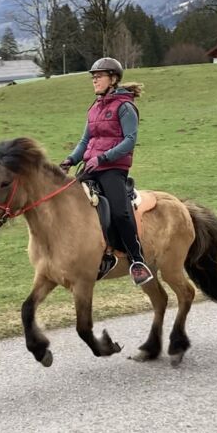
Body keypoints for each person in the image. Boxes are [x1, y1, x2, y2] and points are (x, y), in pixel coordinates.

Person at [60, 57, 153, 287]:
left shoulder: (125, 107)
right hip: (91, 167)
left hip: (113, 168)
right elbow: (85, 140)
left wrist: (103, 157)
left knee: (120, 212)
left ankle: (137, 261)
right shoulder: (94, 108)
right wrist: (71, 159)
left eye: (98, 76)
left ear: (113, 79)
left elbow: (130, 141)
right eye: (93, 77)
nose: (94, 81)